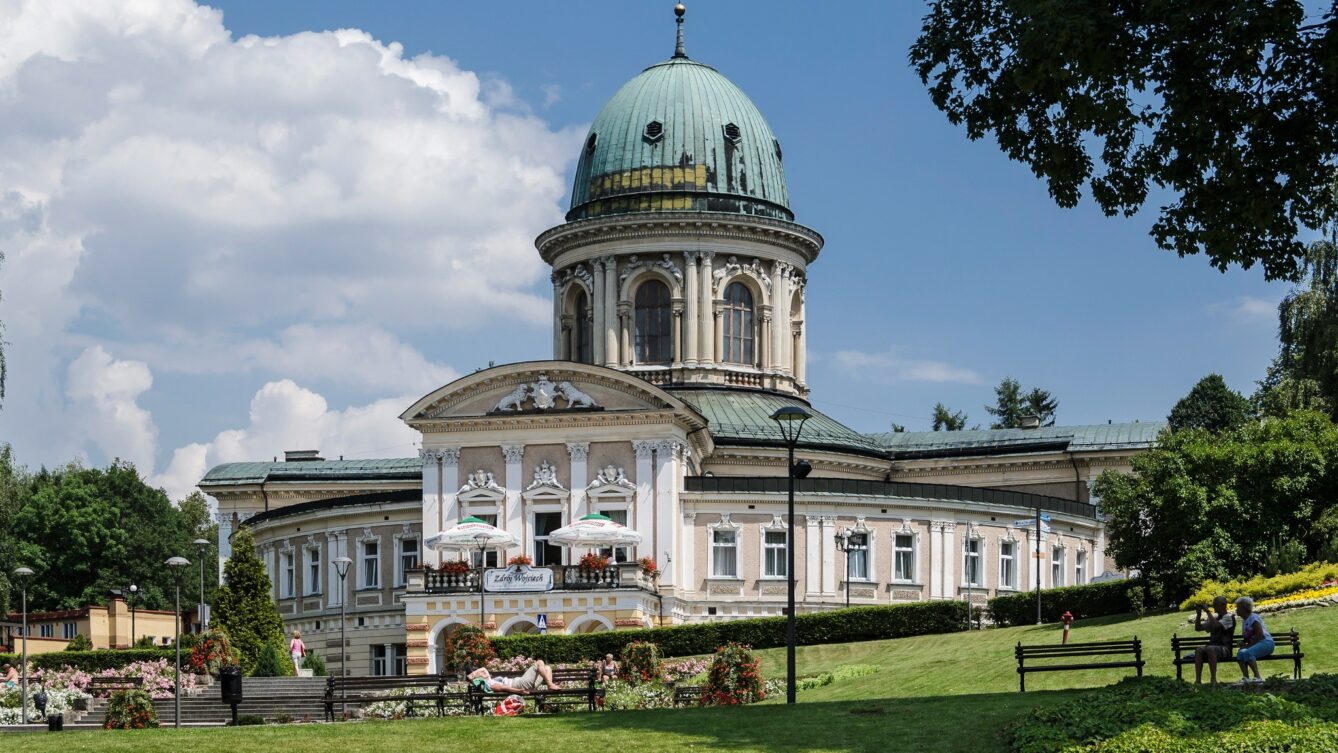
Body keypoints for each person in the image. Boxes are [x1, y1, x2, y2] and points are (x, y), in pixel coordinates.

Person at [1191, 596, 1235, 685]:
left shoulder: (1229, 617)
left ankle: (1213, 680)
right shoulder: (1215, 618)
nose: (1213, 607)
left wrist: (1207, 611)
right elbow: (1198, 628)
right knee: (1199, 650)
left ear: (1223, 605)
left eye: (1215, 604)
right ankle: (1198, 681)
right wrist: (1199, 614)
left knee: (1210, 649)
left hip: (1225, 649)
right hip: (1213, 648)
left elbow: (1216, 626)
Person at [1234, 596, 1274, 684]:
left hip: (1266, 643)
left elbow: (1260, 635)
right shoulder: (1245, 621)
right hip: (1258, 643)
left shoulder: (1254, 618)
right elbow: (1249, 637)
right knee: (1240, 653)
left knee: (1247, 652)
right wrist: (1243, 643)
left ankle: (1257, 677)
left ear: (1244, 608)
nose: (1236, 610)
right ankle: (1246, 678)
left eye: (1238, 607)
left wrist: (1248, 646)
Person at [468, 660, 561, 694]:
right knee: (539, 663)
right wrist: (519, 691)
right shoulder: (489, 685)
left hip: (526, 685)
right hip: (519, 685)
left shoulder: (489, 680)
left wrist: (473, 674)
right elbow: (504, 687)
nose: (482, 673)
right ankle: (550, 684)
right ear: (478, 679)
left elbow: (484, 669)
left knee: (548, 668)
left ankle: (550, 685)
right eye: (479, 674)